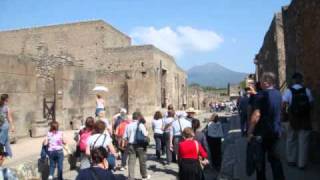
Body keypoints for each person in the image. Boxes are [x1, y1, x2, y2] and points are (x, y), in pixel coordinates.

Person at [248, 72, 285, 180]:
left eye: (263, 80)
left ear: (267, 82)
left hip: (261, 134)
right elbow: (281, 110)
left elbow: (256, 115)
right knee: (275, 160)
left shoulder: (261, 95)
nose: (261, 83)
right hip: (275, 132)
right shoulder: (279, 94)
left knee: (260, 162)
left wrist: (250, 132)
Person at [283, 72, 313, 169]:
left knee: (291, 139)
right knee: (303, 141)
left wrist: (284, 115)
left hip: (293, 119)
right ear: (301, 80)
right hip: (305, 119)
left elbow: (283, 104)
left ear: (293, 80)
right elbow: (311, 103)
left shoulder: (288, 91)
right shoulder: (307, 91)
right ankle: (302, 164)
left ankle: (291, 160)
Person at [123, 112, 151, 180]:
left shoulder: (128, 125)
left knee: (131, 162)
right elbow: (145, 134)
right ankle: (144, 175)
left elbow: (125, 137)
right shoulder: (141, 125)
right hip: (140, 145)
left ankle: (131, 177)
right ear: (138, 117)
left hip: (131, 145)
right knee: (142, 161)